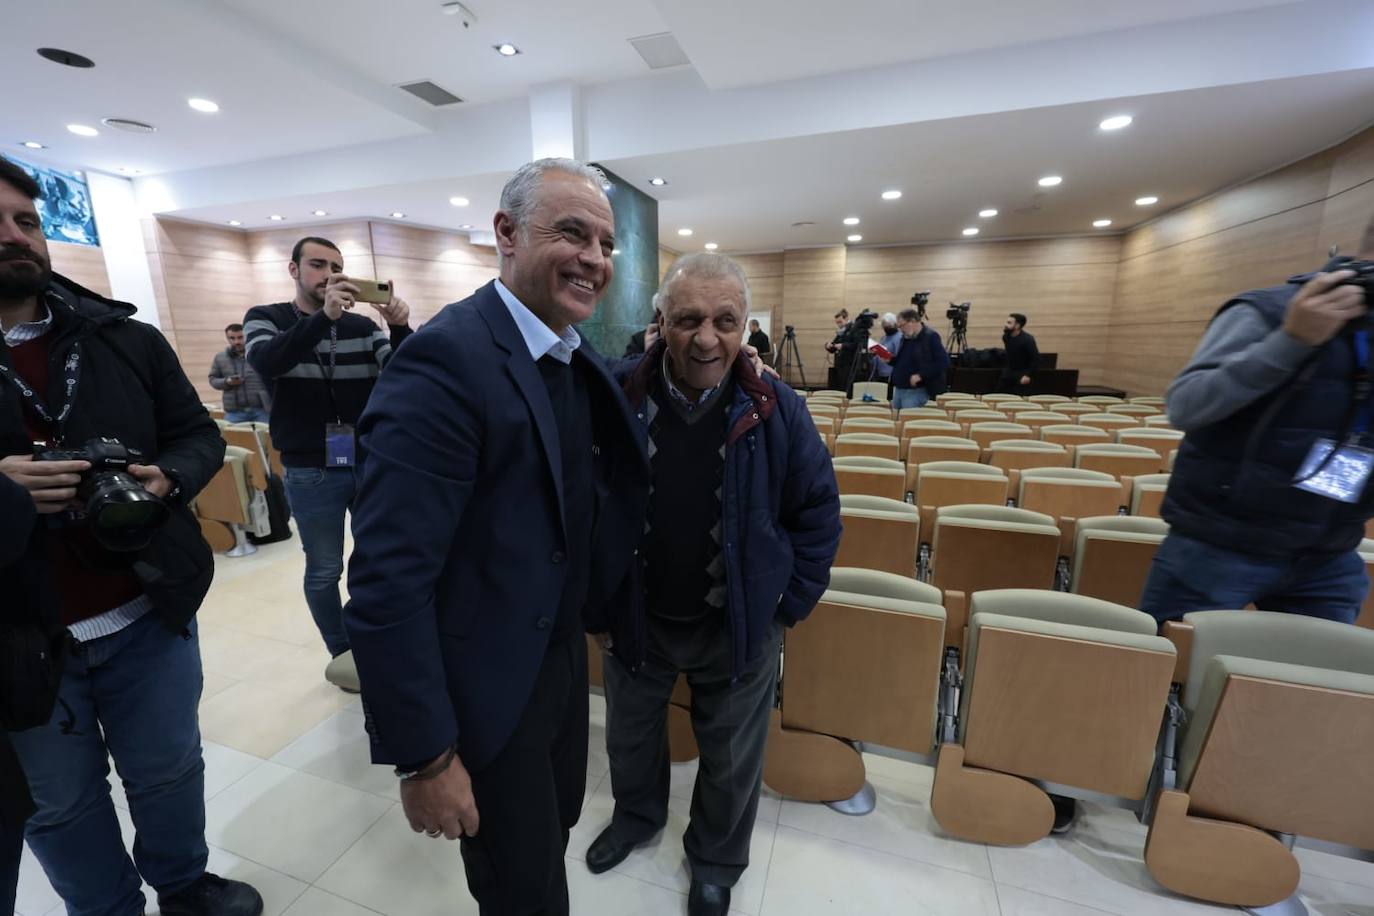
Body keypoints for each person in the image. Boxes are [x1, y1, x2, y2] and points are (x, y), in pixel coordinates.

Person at [343, 159, 650, 915]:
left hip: (554, 662)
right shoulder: (445, 361)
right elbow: (387, 581)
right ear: (506, 235)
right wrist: (425, 756)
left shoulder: (566, 355)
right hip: (485, 685)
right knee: (519, 885)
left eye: (606, 244)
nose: (595, 259)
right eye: (572, 233)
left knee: (547, 840)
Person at [0, 155, 261, 915]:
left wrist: (167, 479)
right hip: (21, 640)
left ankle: (183, 884)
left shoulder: (122, 337)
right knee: (60, 804)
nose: (16, 236)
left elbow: (194, 434)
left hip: (146, 610)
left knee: (171, 769)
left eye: (26, 221)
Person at [584, 253, 842, 916]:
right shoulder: (619, 396)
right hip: (637, 618)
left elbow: (817, 514)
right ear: (661, 323)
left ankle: (716, 862)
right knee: (630, 738)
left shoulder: (776, 407)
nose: (706, 338)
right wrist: (597, 601)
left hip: (737, 627)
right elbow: (584, 505)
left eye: (725, 321)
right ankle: (637, 821)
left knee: (730, 760)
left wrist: (784, 607)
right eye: (688, 319)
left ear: (745, 327)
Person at [1140, 226, 1374, 628]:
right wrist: (1292, 340)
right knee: (1165, 672)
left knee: (1309, 687)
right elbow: (1186, 405)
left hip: (1331, 552)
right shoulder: (1267, 310)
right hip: (1218, 545)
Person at [243, 237, 412, 688]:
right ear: (294, 269)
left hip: (367, 460)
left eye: (337, 266)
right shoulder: (266, 318)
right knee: (324, 568)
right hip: (310, 467)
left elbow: (408, 375)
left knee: (379, 557)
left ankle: (379, 639)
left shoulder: (361, 325)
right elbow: (267, 361)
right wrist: (323, 319)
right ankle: (343, 652)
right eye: (317, 265)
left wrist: (399, 328)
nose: (329, 273)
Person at [209, 323, 270, 424]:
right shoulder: (220, 357)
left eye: (240, 337)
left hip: (262, 409)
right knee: (234, 439)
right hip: (234, 412)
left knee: (267, 439)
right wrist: (227, 381)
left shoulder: (258, 354)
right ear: (227, 339)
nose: (237, 341)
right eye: (232, 338)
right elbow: (213, 380)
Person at [889, 307, 950, 409]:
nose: (901, 330)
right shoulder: (906, 338)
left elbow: (943, 362)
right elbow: (902, 361)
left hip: (916, 391)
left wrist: (921, 375)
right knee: (896, 421)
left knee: (908, 421)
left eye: (902, 326)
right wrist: (889, 360)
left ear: (912, 321)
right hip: (899, 389)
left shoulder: (931, 337)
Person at [998, 312, 1039, 393]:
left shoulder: (1028, 340)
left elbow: (1036, 360)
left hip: (1023, 372)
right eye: (1006, 322)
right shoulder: (1006, 337)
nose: (1005, 324)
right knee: (999, 393)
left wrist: (1027, 375)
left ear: (1017, 326)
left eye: (1009, 323)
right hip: (1009, 370)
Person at [873, 312, 902, 388]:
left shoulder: (899, 338)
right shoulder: (884, 338)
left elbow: (899, 356)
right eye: (884, 325)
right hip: (880, 373)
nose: (885, 327)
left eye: (887, 325)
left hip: (891, 375)